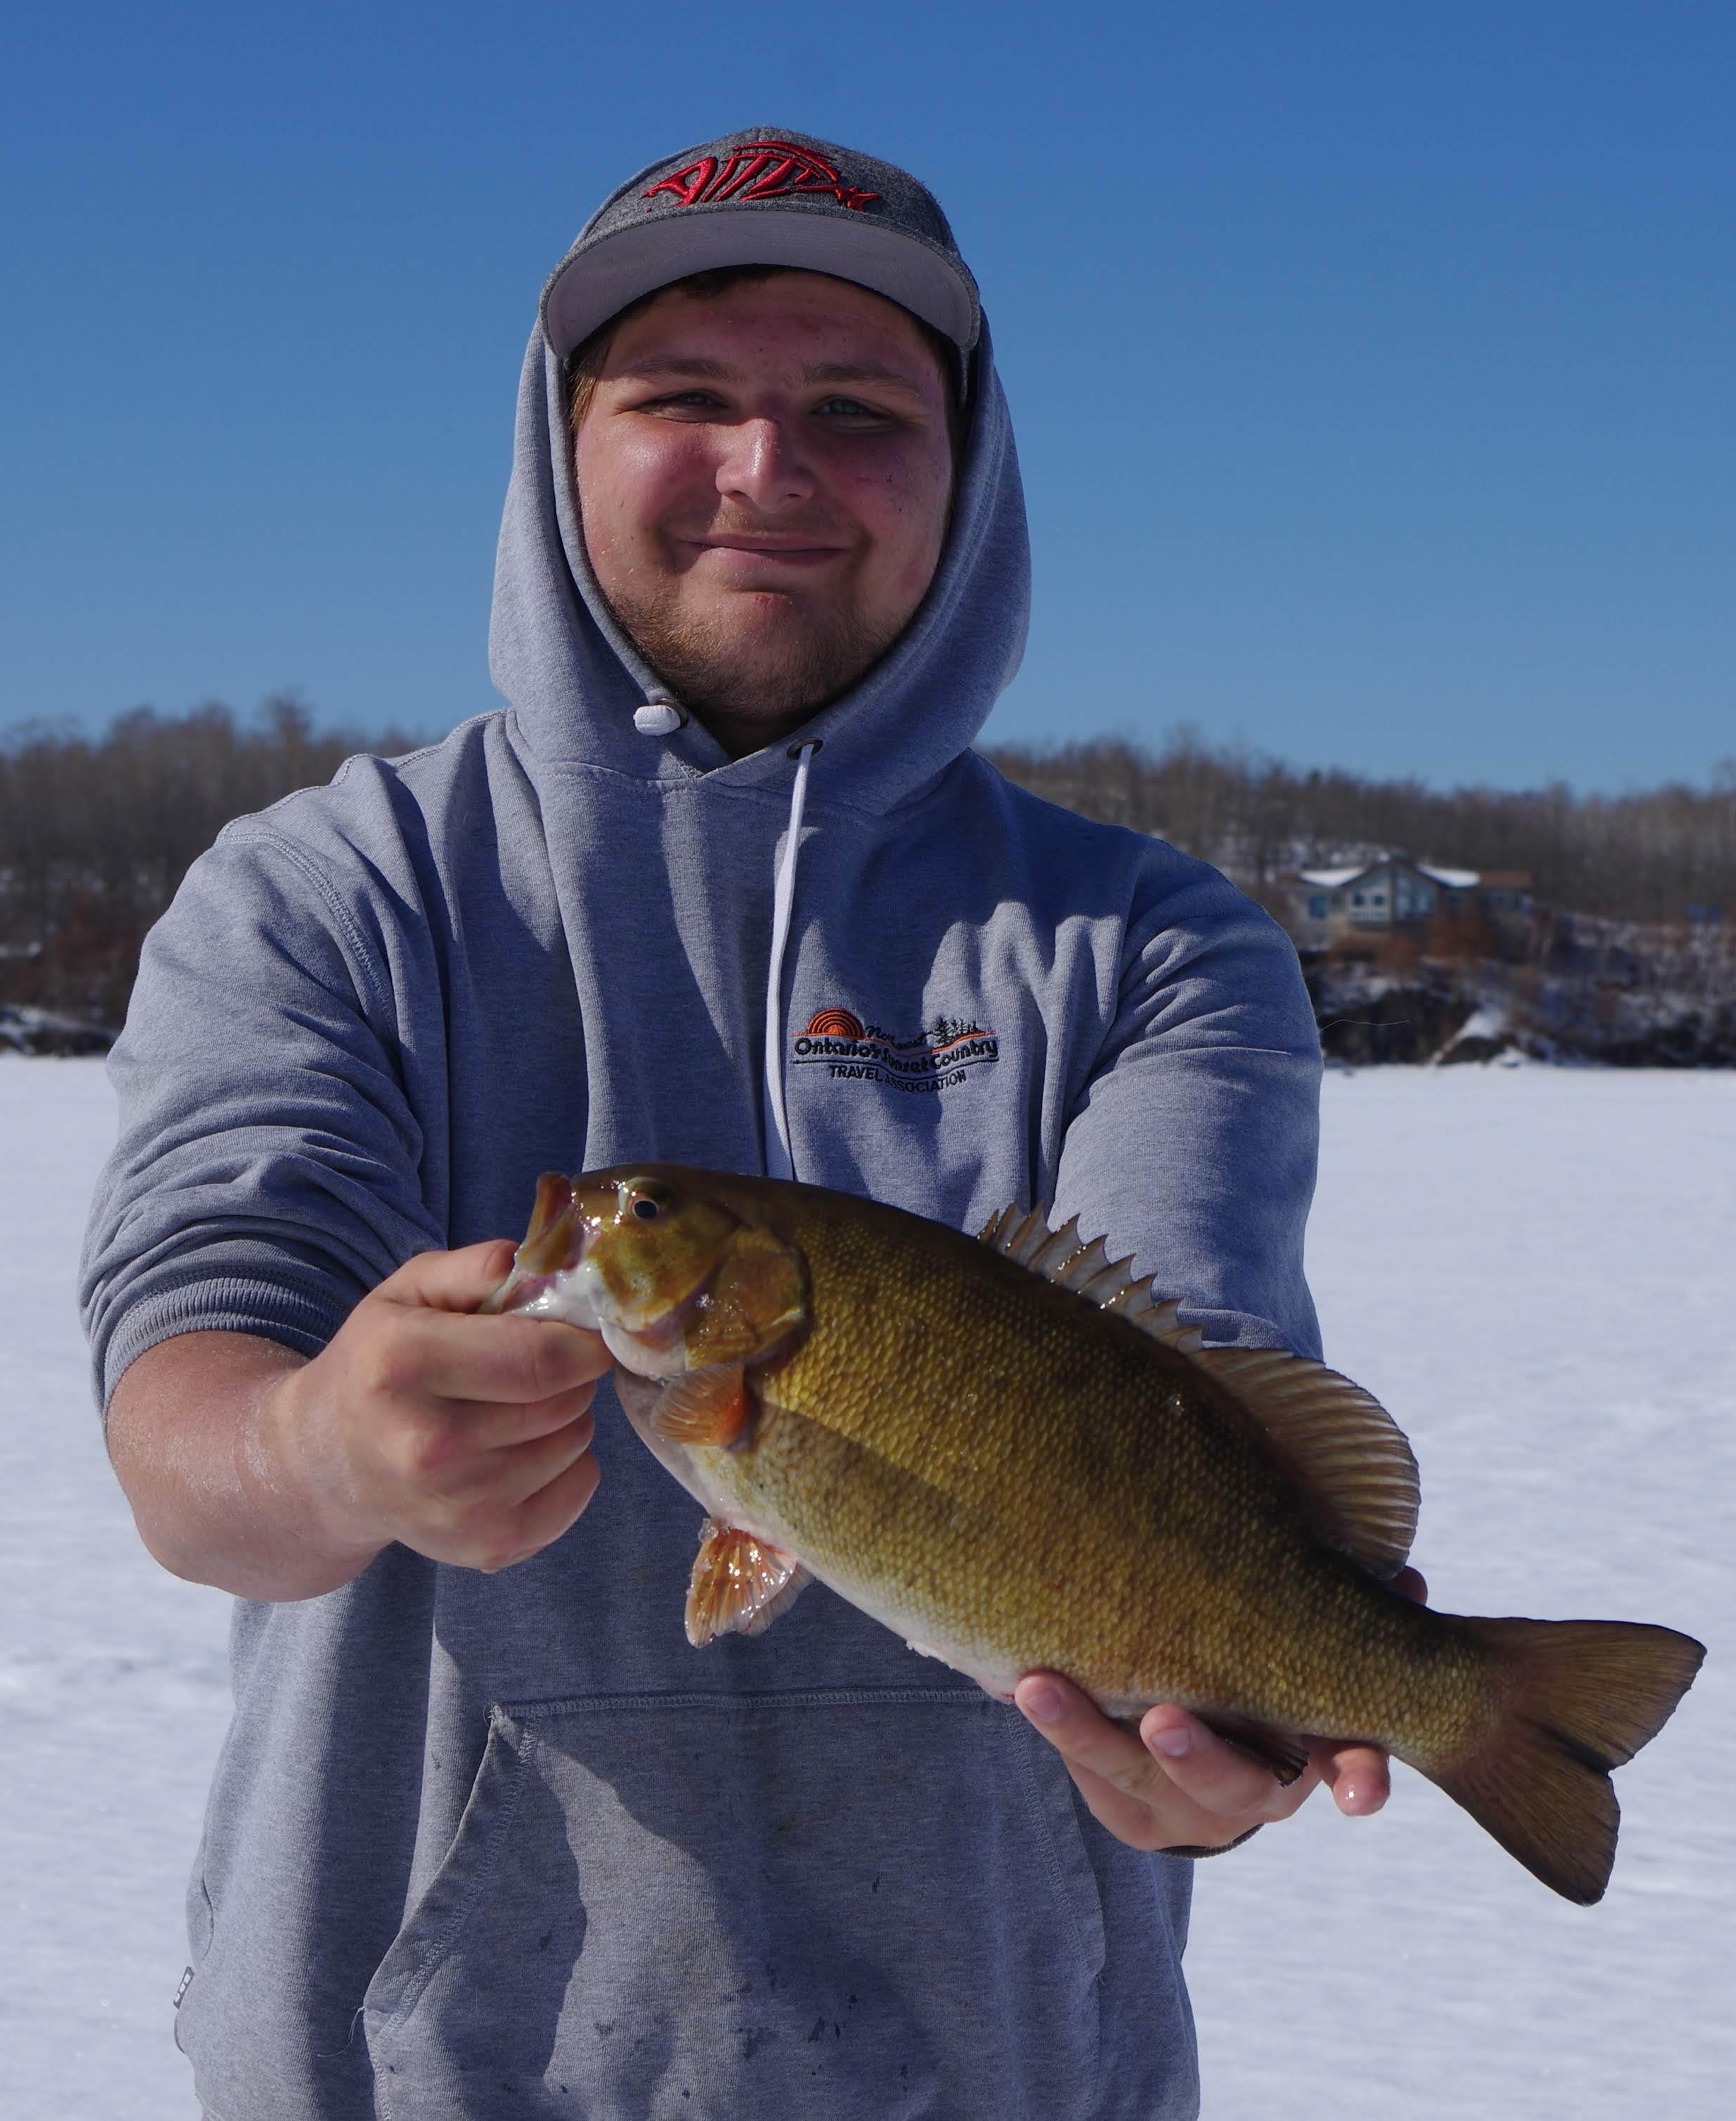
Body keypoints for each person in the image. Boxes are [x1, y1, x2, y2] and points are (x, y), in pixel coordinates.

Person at [83, 129, 1376, 2119]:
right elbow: (190, 1441)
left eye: (856, 412)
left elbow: (1188, 1398)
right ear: (557, 447)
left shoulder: (1147, 949)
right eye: (682, 398)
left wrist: (1210, 1762)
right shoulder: (331, 897)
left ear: (968, 476)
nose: (767, 469)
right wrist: (320, 1445)